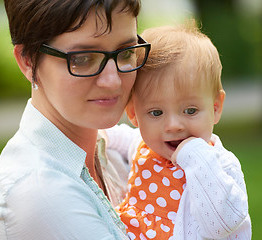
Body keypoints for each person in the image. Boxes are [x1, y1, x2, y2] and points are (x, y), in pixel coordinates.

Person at [0, 0, 151, 239]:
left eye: (126, 53)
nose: (113, 81)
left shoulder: (114, 151)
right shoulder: (39, 192)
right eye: (82, 58)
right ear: (28, 60)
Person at [106, 23, 252, 239]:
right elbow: (121, 138)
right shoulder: (144, 145)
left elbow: (223, 224)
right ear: (134, 114)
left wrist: (194, 154)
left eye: (190, 110)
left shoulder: (220, 165)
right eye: (156, 113)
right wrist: (100, 134)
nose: (174, 125)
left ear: (215, 107)